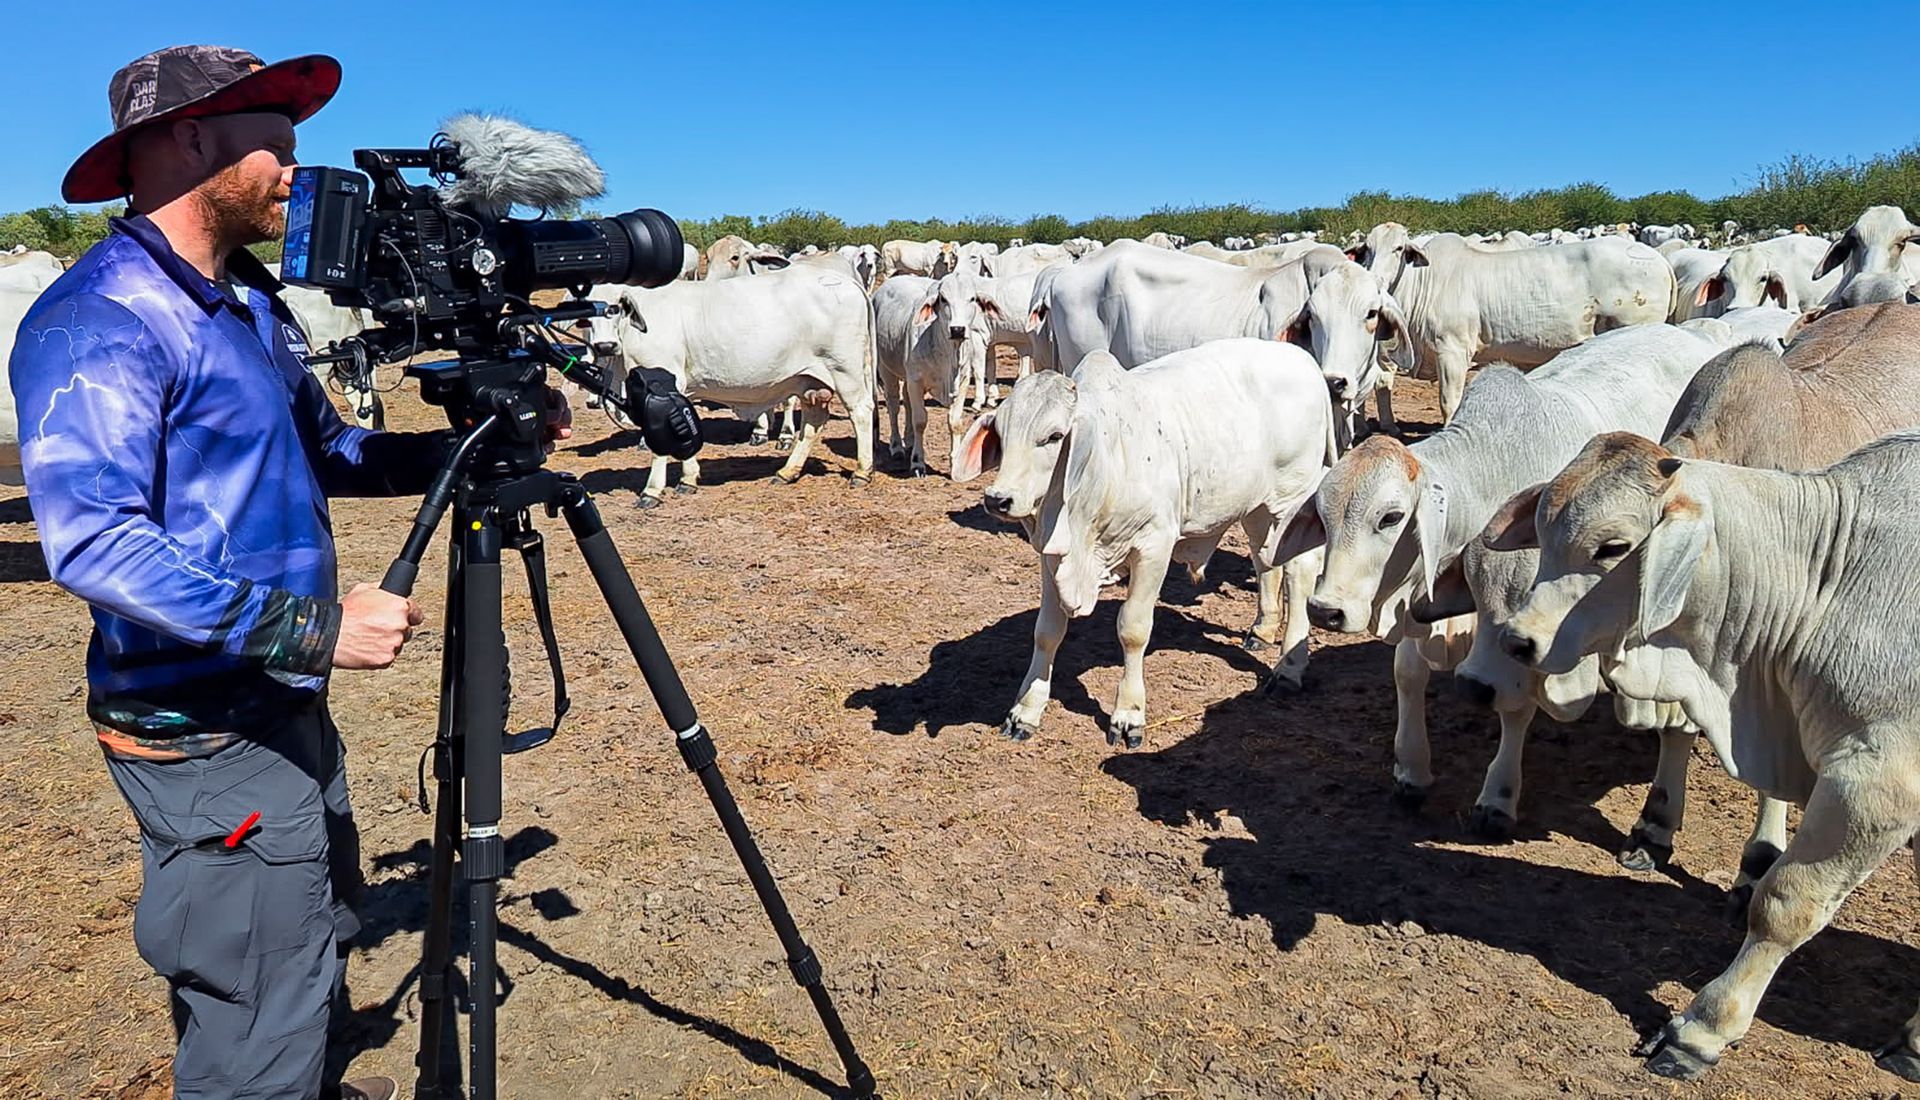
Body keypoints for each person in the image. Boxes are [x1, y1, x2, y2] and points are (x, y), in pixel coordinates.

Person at [10, 46, 569, 1099]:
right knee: (254, 995)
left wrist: (476, 440)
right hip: (201, 726)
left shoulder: (247, 304)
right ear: (186, 141)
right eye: (272, 137)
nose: (291, 164)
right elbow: (92, 543)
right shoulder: (103, 320)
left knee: (311, 932)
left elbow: (331, 451)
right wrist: (316, 631)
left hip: (279, 705)